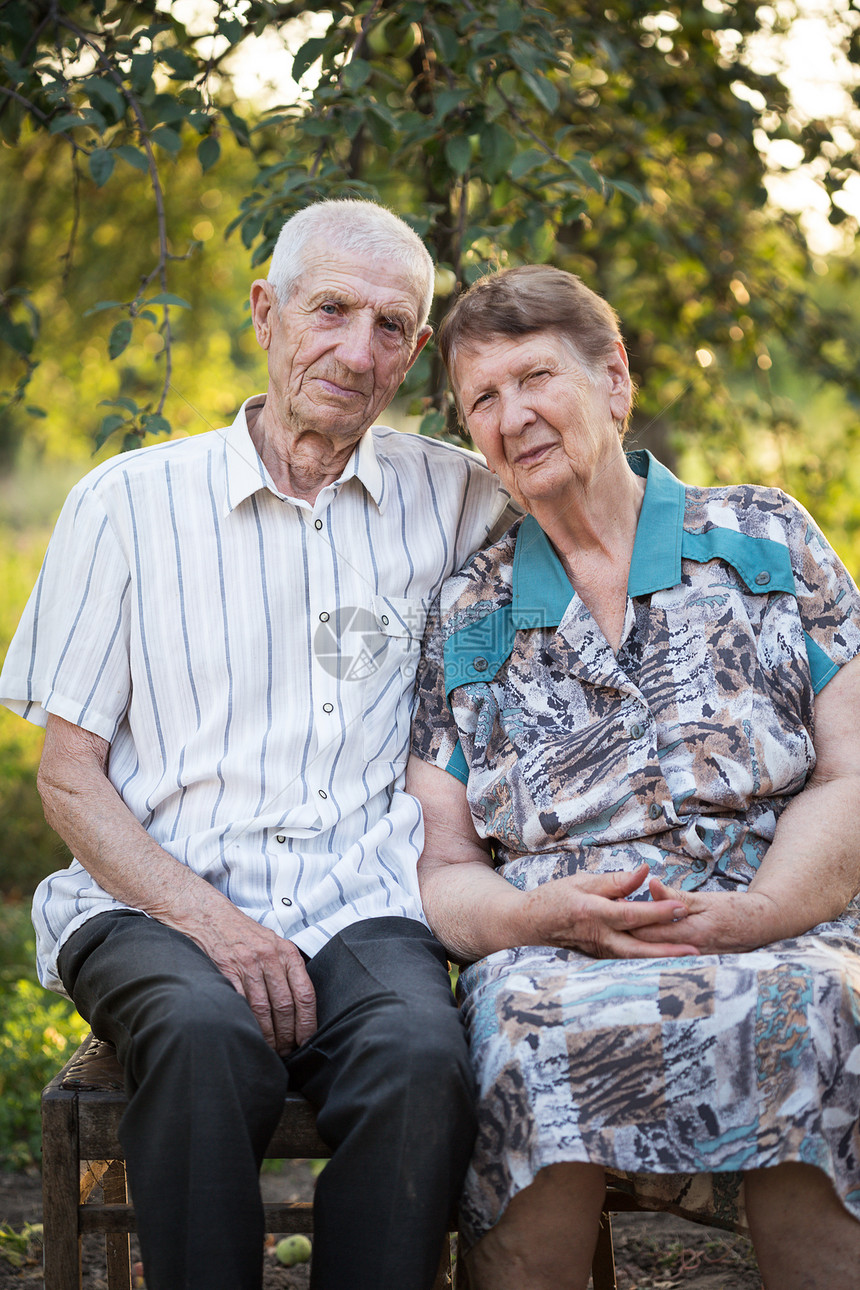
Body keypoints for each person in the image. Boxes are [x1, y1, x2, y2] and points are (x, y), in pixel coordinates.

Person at [0, 199, 516, 1290]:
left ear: (416, 352)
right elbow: (70, 777)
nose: (354, 348)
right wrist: (217, 926)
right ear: (264, 314)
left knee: (423, 1059)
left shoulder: (461, 500)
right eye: (328, 309)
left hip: (361, 897)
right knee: (199, 1041)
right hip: (153, 901)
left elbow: (594, 521)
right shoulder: (127, 504)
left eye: (389, 326)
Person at [406, 264, 860, 1290]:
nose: (511, 415)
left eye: (533, 378)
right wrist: (536, 918)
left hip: (778, 917)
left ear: (612, 378)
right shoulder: (466, 610)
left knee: (814, 1009)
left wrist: (763, 910)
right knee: (522, 1035)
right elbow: (440, 862)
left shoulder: (766, 539)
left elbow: (850, 776)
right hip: (552, 946)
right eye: (482, 398)